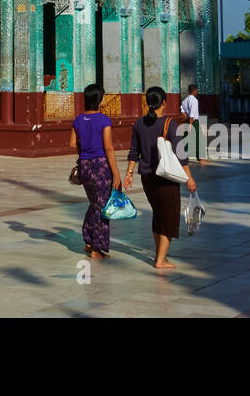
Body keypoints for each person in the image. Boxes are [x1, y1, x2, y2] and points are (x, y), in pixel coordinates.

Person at [124, 86, 196, 270]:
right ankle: (161, 259)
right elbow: (181, 156)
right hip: (166, 178)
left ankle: (159, 255)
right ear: (163, 102)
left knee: (158, 214)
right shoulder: (169, 124)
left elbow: (134, 152)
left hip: (147, 178)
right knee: (169, 217)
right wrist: (189, 178)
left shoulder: (139, 123)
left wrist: (129, 174)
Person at [69, 83, 123, 258]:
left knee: (95, 203)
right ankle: (96, 248)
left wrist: (84, 147)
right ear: (99, 100)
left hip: (85, 165)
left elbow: (71, 143)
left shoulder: (78, 120)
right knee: (102, 207)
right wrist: (116, 174)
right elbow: (109, 148)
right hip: (100, 166)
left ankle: (89, 238)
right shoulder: (103, 120)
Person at [181, 84, 207, 164]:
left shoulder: (185, 100)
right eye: (197, 90)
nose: (197, 92)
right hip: (193, 122)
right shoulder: (194, 100)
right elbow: (192, 113)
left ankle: (182, 157)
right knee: (199, 139)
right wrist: (190, 124)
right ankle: (201, 159)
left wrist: (186, 118)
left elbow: (182, 110)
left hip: (187, 120)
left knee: (185, 139)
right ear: (195, 91)